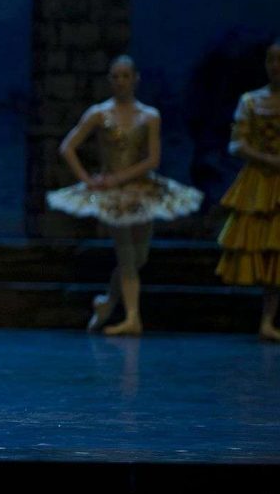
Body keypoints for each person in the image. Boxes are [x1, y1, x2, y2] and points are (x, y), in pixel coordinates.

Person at [48, 56, 202, 336]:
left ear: (135, 79)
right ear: (110, 80)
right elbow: (67, 147)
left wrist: (121, 177)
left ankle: (107, 302)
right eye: (115, 77)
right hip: (113, 194)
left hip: (142, 188)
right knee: (127, 256)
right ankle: (133, 317)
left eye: (125, 76)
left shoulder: (149, 115)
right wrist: (88, 180)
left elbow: (153, 159)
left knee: (139, 256)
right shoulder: (99, 113)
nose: (120, 82)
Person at [217, 38, 280, 342]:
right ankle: (265, 319)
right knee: (266, 246)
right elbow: (236, 143)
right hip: (260, 183)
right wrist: (268, 159)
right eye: (271, 60)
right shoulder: (251, 101)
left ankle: (269, 318)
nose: (276, 66)